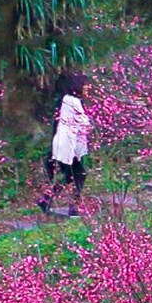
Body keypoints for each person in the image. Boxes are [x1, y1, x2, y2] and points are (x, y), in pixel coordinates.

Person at [40, 72, 91, 215]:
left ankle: (46, 200)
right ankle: (73, 208)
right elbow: (80, 122)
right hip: (67, 146)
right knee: (78, 174)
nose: (87, 88)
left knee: (71, 175)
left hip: (66, 145)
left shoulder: (66, 100)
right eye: (85, 85)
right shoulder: (71, 101)